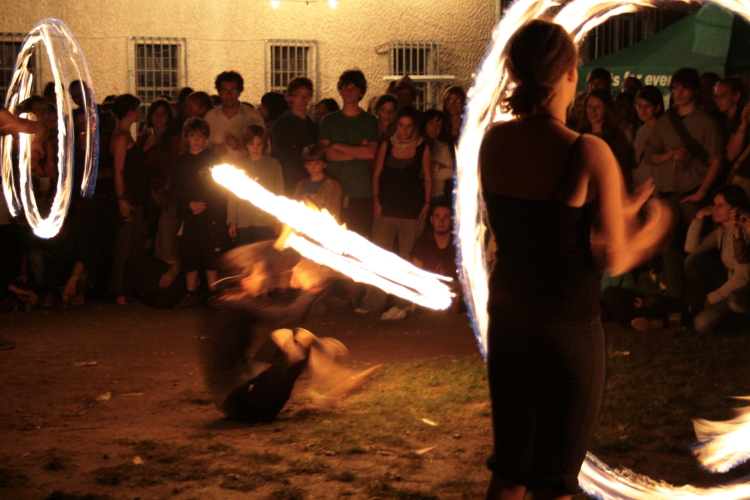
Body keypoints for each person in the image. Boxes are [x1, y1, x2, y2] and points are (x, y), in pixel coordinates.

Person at [479, 20, 671, 500]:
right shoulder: (588, 150)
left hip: (509, 318)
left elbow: (538, 226)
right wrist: (655, 224)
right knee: (555, 480)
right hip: (565, 326)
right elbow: (616, 255)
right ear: (570, 72)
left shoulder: (492, 143)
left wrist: (616, 210)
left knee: (511, 470)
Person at [199, 241, 380, 422]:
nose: (264, 277)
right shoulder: (237, 306)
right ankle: (340, 382)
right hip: (246, 407)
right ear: (244, 279)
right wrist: (311, 288)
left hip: (235, 398)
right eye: (260, 272)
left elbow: (282, 318)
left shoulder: (229, 301)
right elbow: (287, 317)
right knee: (293, 339)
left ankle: (340, 381)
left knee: (294, 335)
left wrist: (281, 242)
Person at [170, 117, 226, 309]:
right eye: (193, 136)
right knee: (189, 252)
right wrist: (188, 205)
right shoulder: (181, 162)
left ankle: (213, 293)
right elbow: (175, 189)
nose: (197, 140)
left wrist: (209, 206)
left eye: (201, 136)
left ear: (206, 138)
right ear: (187, 137)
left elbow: (220, 187)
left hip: (210, 215)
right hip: (189, 216)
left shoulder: (212, 159)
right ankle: (190, 292)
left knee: (210, 254)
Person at [318, 69, 379, 239]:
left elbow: (371, 152)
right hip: (333, 190)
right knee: (331, 242)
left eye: (353, 88)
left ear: (361, 92)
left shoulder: (370, 121)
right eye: (345, 88)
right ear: (340, 90)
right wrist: (357, 151)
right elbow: (325, 154)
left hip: (361, 192)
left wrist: (337, 145)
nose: (349, 92)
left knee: (360, 243)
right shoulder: (329, 120)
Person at [109, 94, 151, 305]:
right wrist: (121, 199)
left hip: (133, 196)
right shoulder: (121, 137)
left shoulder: (124, 135)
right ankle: (121, 293)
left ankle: (128, 291)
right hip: (128, 197)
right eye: (137, 108)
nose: (140, 111)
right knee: (125, 244)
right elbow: (118, 170)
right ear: (130, 112)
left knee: (133, 244)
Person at [684, 185, 750, 316]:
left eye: (721, 205)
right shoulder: (721, 231)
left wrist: (714, 297)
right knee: (693, 261)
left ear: (735, 209)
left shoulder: (743, 233)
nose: (714, 209)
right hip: (729, 281)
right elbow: (691, 249)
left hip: (743, 288)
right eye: (714, 204)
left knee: (703, 323)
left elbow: (743, 277)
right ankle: (698, 309)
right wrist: (699, 217)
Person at [228, 125, 284, 246]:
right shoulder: (238, 165)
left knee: (264, 257)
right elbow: (233, 196)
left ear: (264, 145)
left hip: (266, 220)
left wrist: (278, 222)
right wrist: (232, 221)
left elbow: (279, 193)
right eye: (251, 144)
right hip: (243, 220)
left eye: (259, 144)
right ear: (245, 145)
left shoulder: (273, 164)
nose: (255, 148)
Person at [205, 71, 265, 165]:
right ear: (219, 92)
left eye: (233, 90)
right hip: (216, 172)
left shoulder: (253, 116)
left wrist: (240, 146)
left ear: (239, 92)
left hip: (247, 173)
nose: (229, 94)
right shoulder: (210, 117)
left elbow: (266, 149)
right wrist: (213, 150)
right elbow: (200, 147)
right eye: (224, 90)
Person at [270, 77, 318, 195]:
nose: (303, 99)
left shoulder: (314, 126)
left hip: (311, 182)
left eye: (307, 94)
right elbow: (285, 155)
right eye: (298, 94)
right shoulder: (280, 125)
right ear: (290, 97)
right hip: (288, 182)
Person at [578, 89, 633, 189]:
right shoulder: (579, 134)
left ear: (606, 109)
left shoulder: (616, 136)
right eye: (589, 106)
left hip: (608, 187)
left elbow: (623, 168)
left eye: (598, 106)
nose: (593, 110)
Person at [293, 145, 343, 221]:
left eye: (317, 163)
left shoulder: (332, 185)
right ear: (305, 165)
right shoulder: (300, 184)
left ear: (324, 164)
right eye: (309, 164)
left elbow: (334, 212)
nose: (313, 167)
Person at [632, 86, 665, 190]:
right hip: (638, 185)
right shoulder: (640, 131)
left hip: (656, 187)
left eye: (648, 106)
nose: (643, 110)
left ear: (657, 108)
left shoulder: (665, 130)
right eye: (639, 106)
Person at [423, 108, 454, 204]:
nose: (435, 128)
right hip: (419, 194)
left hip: (438, 196)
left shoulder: (443, 147)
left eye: (439, 125)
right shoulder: (416, 144)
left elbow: (451, 172)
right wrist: (437, 167)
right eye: (431, 124)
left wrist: (430, 169)